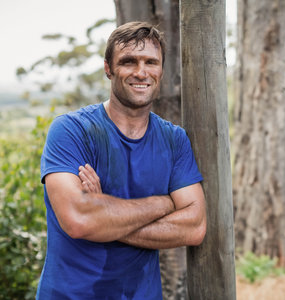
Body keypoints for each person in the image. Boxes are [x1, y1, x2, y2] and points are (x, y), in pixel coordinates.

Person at [36, 21, 206, 299]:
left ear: (161, 69)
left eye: (151, 62)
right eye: (129, 62)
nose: (141, 72)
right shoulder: (71, 130)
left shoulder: (174, 140)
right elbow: (79, 220)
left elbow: (194, 227)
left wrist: (104, 213)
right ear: (108, 68)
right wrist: (162, 203)